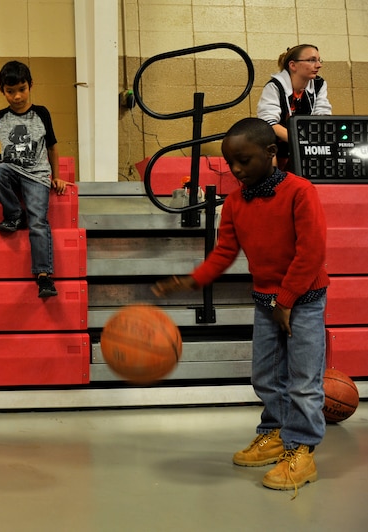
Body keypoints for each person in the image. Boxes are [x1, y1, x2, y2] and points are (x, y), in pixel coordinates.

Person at [153, 117, 329, 495]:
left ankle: (303, 449)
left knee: (303, 382)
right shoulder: (235, 202)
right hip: (267, 302)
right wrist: (193, 279)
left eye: (244, 160)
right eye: (230, 162)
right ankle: (275, 433)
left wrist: (286, 301)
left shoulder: (300, 191)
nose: (235, 169)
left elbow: (310, 253)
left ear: (271, 153)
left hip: (303, 300)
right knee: (265, 376)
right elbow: (225, 252)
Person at [0, 60, 72, 298]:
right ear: (2, 91)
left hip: (37, 175)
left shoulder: (42, 113)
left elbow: (52, 147)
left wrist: (56, 177)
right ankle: (15, 213)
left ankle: (44, 276)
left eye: (22, 89)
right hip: (10, 169)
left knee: (38, 221)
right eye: (10, 91)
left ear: (30, 86)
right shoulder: (0, 118)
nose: (17, 97)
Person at [257, 44, 331, 171]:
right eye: (312, 60)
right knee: (265, 141)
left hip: (304, 139)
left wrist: (311, 142)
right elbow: (268, 122)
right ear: (293, 65)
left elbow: (322, 117)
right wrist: (300, 141)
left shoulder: (319, 84)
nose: (319, 65)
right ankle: (272, 182)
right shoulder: (274, 86)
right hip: (278, 139)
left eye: (319, 60)